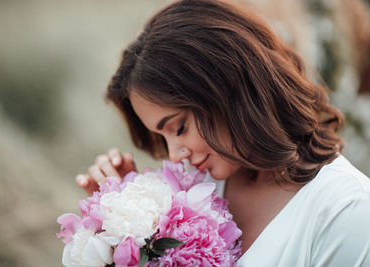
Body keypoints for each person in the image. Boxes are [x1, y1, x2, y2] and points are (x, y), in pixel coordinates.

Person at [75, 0, 370, 266]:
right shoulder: (193, 193)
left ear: (229, 89)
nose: (176, 155)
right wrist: (129, 233)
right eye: (163, 137)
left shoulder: (347, 209)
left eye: (179, 128)